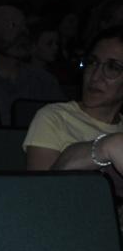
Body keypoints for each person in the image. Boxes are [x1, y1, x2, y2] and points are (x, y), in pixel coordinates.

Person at [24, 26, 123, 198]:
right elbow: (39, 197)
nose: (95, 76)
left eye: (112, 67)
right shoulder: (55, 117)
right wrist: (102, 148)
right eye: (92, 62)